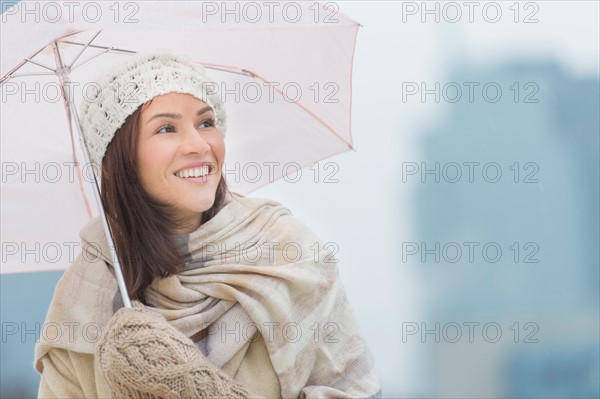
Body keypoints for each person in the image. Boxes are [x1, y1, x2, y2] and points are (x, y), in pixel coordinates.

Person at [34, 51, 381, 398]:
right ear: (120, 159)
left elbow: (356, 389)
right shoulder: (86, 293)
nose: (199, 145)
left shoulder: (286, 252)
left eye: (206, 122)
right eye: (166, 128)